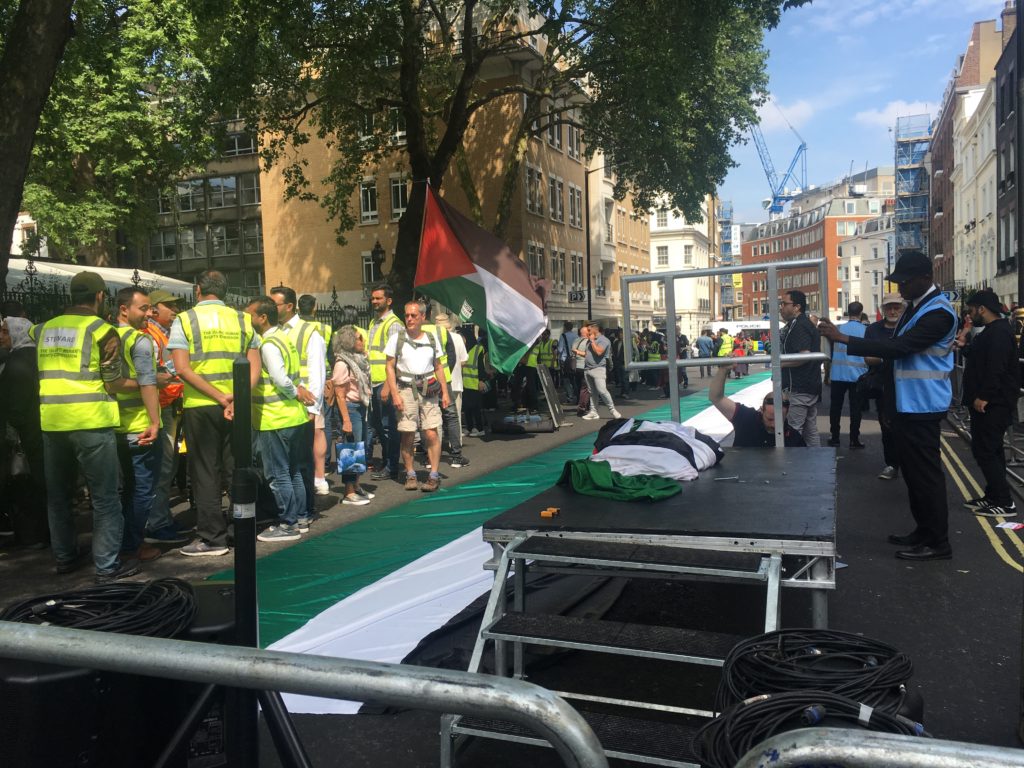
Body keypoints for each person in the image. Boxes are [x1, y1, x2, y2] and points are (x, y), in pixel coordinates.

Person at [819, 250, 957, 561]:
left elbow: (900, 347)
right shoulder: (918, 307)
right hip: (908, 404)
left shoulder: (940, 312)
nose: (901, 288)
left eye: (905, 282)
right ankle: (923, 531)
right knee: (912, 474)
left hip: (923, 405)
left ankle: (938, 542)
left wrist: (843, 338)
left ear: (926, 278)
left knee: (926, 477)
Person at [36, 271, 138, 581]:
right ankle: (107, 566)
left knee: (58, 496)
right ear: (99, 297)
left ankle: (65, 557)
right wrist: (149, 383)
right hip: (92, 422)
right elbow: (114, 382)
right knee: (105, 497)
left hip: (53, 422)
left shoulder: (42, 330)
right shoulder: (103, 331)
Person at [170, 269, 260, 556]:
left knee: (206, 472)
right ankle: (241, 528)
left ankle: (212, 538)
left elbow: (182, 368)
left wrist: (219, 397)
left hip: (202, 406)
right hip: (237, 406)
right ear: (225, 292)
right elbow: (254, 368)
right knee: (237, 468)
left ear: (198, 290)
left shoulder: (184, 320)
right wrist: (235, 397)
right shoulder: (243, 319)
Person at [247, 296, 313, 542]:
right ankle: (301, 517)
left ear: (262, 318)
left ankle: (288, 524)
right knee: (293, 470)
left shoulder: (268, 344)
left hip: (275, 418)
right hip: (292, 415)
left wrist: (296, 391)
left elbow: (279, 378)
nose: (248, 319)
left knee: (278, 474)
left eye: (250, 315)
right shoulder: (284, 337)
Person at [958, 289, 1020, 517]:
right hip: (989, 402)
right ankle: (993, 495)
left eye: (971, 310)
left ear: (981, 309)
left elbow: (997, 368)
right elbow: (975, 355)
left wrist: (985, 396)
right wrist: (964, 340)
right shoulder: (992, 331)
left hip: (994, 403)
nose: (969, 315)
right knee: (989, 449)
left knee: (986, 450)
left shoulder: (999, 333)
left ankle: (1005, 503)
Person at [113, 287, 163, 564]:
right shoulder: (139, 340)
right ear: (124, 309)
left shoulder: (105, 336)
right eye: (143, 308)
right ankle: (133, 545)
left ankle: (121, 542)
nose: (149, 313)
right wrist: (155, 422)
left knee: (122, 491)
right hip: (140, 426)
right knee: (143, 489)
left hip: (111, 425)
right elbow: (146, 381)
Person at [385, 301, 451, 492]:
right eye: (407, 315)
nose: (409, 319)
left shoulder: (431, 338)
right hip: (405, 389)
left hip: (429, 389)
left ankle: (433, 475)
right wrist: (394, 393)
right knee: (408, 434)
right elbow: (389, 366)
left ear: (422, 317)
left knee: (431, 432)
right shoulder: (396, 338)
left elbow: (438, 366)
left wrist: (445, 392)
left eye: (414, 316)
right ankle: (411, 473)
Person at [141, 290, 190, 545]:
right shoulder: (150, 334)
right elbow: (156, 374)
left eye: (175, 305)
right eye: (169, 305)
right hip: (158, 409)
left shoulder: (162, 333)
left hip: (167, 405)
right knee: (162, 468)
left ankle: (160, 518)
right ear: (153, 309)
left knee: (166, 467)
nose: (174, 310)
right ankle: (156, 523)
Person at [0, 316, 48, 548]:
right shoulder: (38, 355)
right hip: (45, 428)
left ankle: (37, 534)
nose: (1, 336)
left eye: (6, 332)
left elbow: (16, 407)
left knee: (32, 485)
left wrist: (12, 432)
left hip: (28, 434)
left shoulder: (16, 363)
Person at [708, 364, 806, 447]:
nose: (774, 425)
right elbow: (716, 398)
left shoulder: (794, 438)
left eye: (779, 419)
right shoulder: (746, 418)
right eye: (770, 419)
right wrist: (723, 370)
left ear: (787, 413)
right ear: (762, 410)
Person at [864, 294, 907, 480]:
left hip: (908, 385)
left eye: (896, 307)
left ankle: (909, 463)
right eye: (889, 307)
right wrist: (891, 355)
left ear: (903, 308)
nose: (892, 311)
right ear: (882, 309)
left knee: (908, 427)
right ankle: (891, 464)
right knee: (887, 425)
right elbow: (868, 357)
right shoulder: (873, 330)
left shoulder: (909, 328)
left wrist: (883, 354)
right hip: (883, 384)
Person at [332, 325, 375, 505]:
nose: (362, 341)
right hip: (350, 409)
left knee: (360, 449)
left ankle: (356, 485)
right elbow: (340, 395)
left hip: (360, 407)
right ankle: (348, 493)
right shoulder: (342, 364)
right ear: (349, 341)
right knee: (351, 450)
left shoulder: (358, 360)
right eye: (358, 338)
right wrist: (346, 420)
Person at [367, 285, 403, 481]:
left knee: (389, 427)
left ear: (389, 301)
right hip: (374, 382)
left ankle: (392, 466)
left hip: (385, 383)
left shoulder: (393, 324)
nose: (374, 301)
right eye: (373, 298)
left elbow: (396, 359)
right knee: (381, 427)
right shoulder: (374, 322)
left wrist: (389, 387)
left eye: (378, 298)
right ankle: (386, 461)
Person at [779, 290, 822, 447]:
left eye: (784, 304)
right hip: (808, 385)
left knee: (793, 429)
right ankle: (816, 461)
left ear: (796, 307)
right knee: (810, 429)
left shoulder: (800, 326)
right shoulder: (800, 324)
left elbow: (804, 356)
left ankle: (793, 466)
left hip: (799, 386)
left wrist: (780, 364)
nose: (781, 307)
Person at [825, 302, 867, 449]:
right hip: (858, 376)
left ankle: (835, 437)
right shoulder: (865, 330)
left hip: (838, 375)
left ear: (847, 312)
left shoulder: (839, 329)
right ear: (861, 313)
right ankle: (854, 439)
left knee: (835, 408)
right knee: (856, 410)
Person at [433, 313, 469, 468]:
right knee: (455, 417)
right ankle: (456, 451)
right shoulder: (458, 338)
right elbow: (463, 360)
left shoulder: (431, 336)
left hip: (436, 382)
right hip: (454, 383)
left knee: (437, 418)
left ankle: (436, 451)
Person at [578, 322, 622, 421]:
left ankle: (612, 410)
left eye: (589, 330)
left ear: (595, 329)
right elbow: (588, 354)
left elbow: (599, 352)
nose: (587, 332)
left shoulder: (604, 340)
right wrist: (579, 352)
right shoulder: (589, 341)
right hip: (588, 369)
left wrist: (592, 341)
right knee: (592, 392)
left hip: (598, 369)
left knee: (602, 390)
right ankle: (593, 412)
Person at [461, 327, 494, 436]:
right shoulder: (463, 349)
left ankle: (479, 428)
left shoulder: (478, 349)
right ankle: (470, 428)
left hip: (475, 383)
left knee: (476, 408)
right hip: (465, 384)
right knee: (467, 408)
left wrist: (481, 380)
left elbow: (480, 367)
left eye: (463, 337)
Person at [556, 320, 578, 403]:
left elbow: (560, 349)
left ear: (565, 328)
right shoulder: (576, 336)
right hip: (575, 359)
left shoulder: (563, 336)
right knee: (575, 378)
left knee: (566, 379)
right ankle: (577, 395)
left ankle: (570, 396)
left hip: (566, 360)